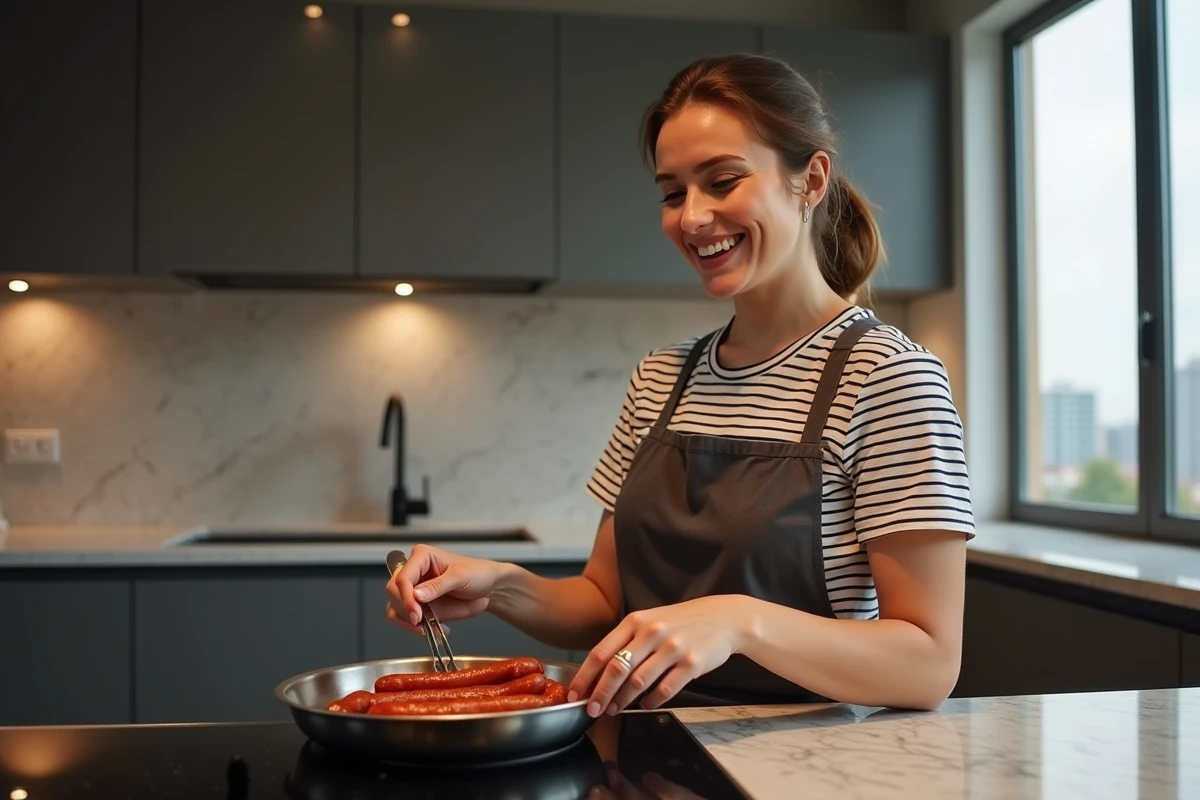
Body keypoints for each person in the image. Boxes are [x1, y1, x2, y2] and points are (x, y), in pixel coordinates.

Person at [387, 53, 974, 716]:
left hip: (799, 765)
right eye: (672, 193)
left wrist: (737, 622)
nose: (692, 217)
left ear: (809, 180)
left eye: (722, 181)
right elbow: (604, 603)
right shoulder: (664, 376)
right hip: (639, 748)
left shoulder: (887, 377)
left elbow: (928, 662)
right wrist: (500, 586)